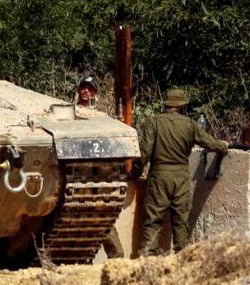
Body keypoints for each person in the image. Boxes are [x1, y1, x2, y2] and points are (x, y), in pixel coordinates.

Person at [137, 88, 228, 255]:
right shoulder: (190, 124)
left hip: (159, 175)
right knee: (180, 220)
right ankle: (181, 258)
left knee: (153, 220)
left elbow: (144, 152)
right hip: (181, 177)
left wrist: (134, 172)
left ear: (166, 104)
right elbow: (210, 144)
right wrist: (223, 147)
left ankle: (148, 258)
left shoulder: (153, 122)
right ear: (181, 106)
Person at [75, 76, 125, 259]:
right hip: (77, 176)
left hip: (99, 177)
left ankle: (117, 258)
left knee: (103, 217)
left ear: (95, 92)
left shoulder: (101, 117)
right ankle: (80, 259)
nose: (86, 91)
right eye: (83, 88)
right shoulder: (68, 113)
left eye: (90, 89)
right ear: (79, 90)